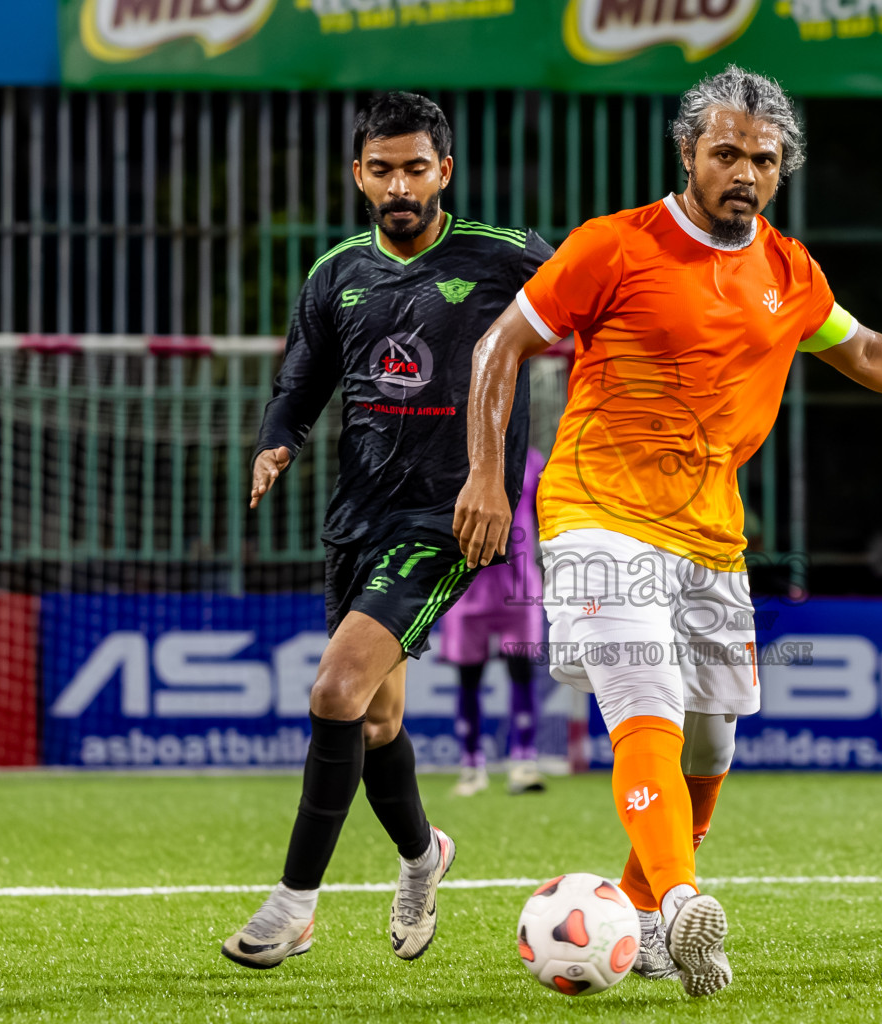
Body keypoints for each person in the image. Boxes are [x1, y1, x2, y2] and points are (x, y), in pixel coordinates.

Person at [453, 66, 882, 997]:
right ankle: (682, 899)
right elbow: (499, 342)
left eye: (765, 158)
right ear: (689, 155)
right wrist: (487, 474)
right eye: (727, 153)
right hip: (598, 515)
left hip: (711, 535)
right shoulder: (613, 246)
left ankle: (647, 913)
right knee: (646, 701)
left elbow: (863, 350)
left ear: (782, 169)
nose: (745, 170)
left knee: (712, 745)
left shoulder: (788, 268)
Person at [222, 91, 553, 970]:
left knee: (334, 692)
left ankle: (293, 904)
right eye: (382, 170)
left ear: (444, 170)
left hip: (449, 516)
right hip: (358, 515)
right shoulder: (336, 274)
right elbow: (300, 382)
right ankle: (423, 857)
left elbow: (599, 319)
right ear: (358, 176)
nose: (399, 184)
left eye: (415, 167)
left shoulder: (505, 258)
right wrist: (275, 442)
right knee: (371, 723)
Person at [439, 447, 549, 797]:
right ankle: (471, 766)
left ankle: (524, 761)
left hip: (518, 586)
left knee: (522, 673)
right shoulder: (454, 456)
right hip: (465, 584)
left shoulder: (532, 460)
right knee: (468, 677)